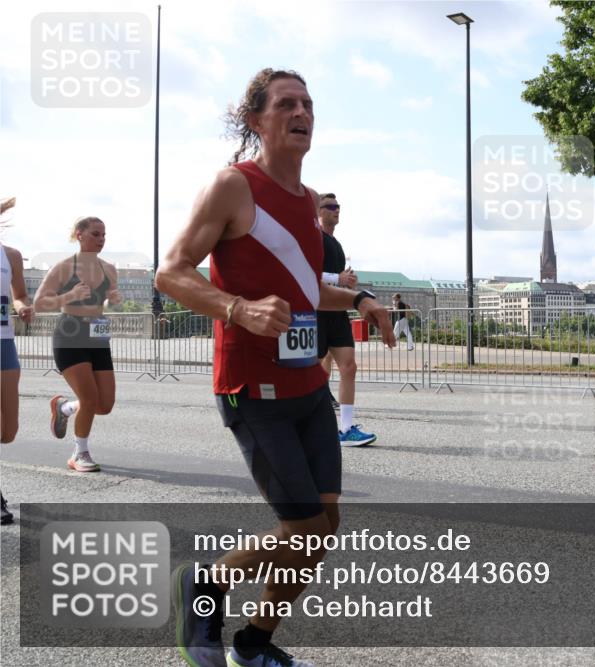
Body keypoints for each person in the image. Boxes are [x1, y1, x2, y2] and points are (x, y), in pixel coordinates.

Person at [155, 68, 394, 667]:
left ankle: (255, 643)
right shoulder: (234, 186)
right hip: (250, 386)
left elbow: (304, 284)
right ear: (256, 119)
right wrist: (237, 308)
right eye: (286, 103)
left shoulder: (309, 204)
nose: (301, 112)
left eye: (308, 103)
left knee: (324, 525)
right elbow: (172, 272)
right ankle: (206, 585)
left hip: (308, 384)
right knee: (304, 523)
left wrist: (363, 301)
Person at [33, 217, 122, 472]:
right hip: (70, 332)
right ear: (79, 234)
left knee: (104, 405)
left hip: (97, 333)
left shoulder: (109, 269)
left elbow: (107, 303)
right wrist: (70, 295)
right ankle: (79, 453)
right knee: (90, 397)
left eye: (104, 235)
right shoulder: (63, 267)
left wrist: (113, 300)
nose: (101, 239)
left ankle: (65, 406)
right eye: (96, 234)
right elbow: (39, 303)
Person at [316, 193, 376, 447]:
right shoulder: (313, 238)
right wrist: (336, 278)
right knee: (315, 373)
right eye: (330, 206)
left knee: (349, 366)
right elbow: (306, 272)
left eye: (338, 206)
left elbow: (336, 277)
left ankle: (346, 428)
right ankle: (314, 427)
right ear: (318, 211)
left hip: (337, 314)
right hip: (317, 311)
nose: (336, 210)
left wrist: (348, 282)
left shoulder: (336, 243)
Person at [1, 204, 34, 525]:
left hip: (4, 344)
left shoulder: (10, 255)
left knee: (8, 432)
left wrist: (24, 306)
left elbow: (20, 295)